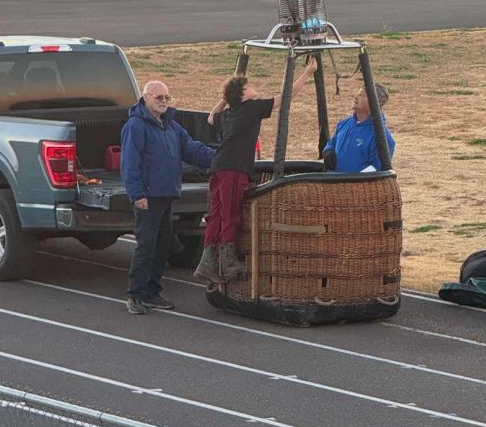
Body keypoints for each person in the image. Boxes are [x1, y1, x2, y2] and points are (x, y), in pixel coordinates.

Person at [195, 58, 317, 284]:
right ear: (243, 95)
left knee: (216, 214)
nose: (253, 87)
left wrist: (224, 99)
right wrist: (307, 73)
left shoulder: (228, 114)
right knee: (231, 215)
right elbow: (286, 97)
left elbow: (211, 117)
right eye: (247, 86)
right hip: (234, 168)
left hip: (217, 167)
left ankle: (207, 262)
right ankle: (228, 262)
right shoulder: (252, 108)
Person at [121, 80, 214, 315]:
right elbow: (130, 163)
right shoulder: (136, 126)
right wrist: (137, 194)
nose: (163, 102)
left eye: (166, 98)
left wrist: (221, 158)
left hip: (167, 195)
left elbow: (192, 149)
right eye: (158, 97)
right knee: (146, 246)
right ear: (146, 98)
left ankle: (152, 292)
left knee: (162, 246)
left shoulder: (171, 127)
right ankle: (136, 295)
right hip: (148, 197)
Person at [322, 83, 396, 173]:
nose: (356, 97)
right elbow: (332, 142)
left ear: (374, 103)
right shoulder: (344, 123)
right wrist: (328, 150)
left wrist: (354, 180)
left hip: (358, 185)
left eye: (362, 95)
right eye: (358, 93)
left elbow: (376, 168)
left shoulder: (383, 137)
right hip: (334, 182)